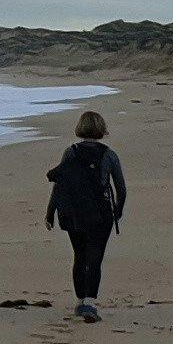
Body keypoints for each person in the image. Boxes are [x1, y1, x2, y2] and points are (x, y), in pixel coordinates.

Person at [43, 110, 128, 322]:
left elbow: (59, 184)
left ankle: (80, 300)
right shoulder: (109, 155)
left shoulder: (70, 153)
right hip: (100, 212)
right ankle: (90, 302)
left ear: (80, 128)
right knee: (95, 257)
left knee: (79, 256)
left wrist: (50, 212)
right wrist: (118, 209)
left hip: (74, 212)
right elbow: (121, 188)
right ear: (102, 129)